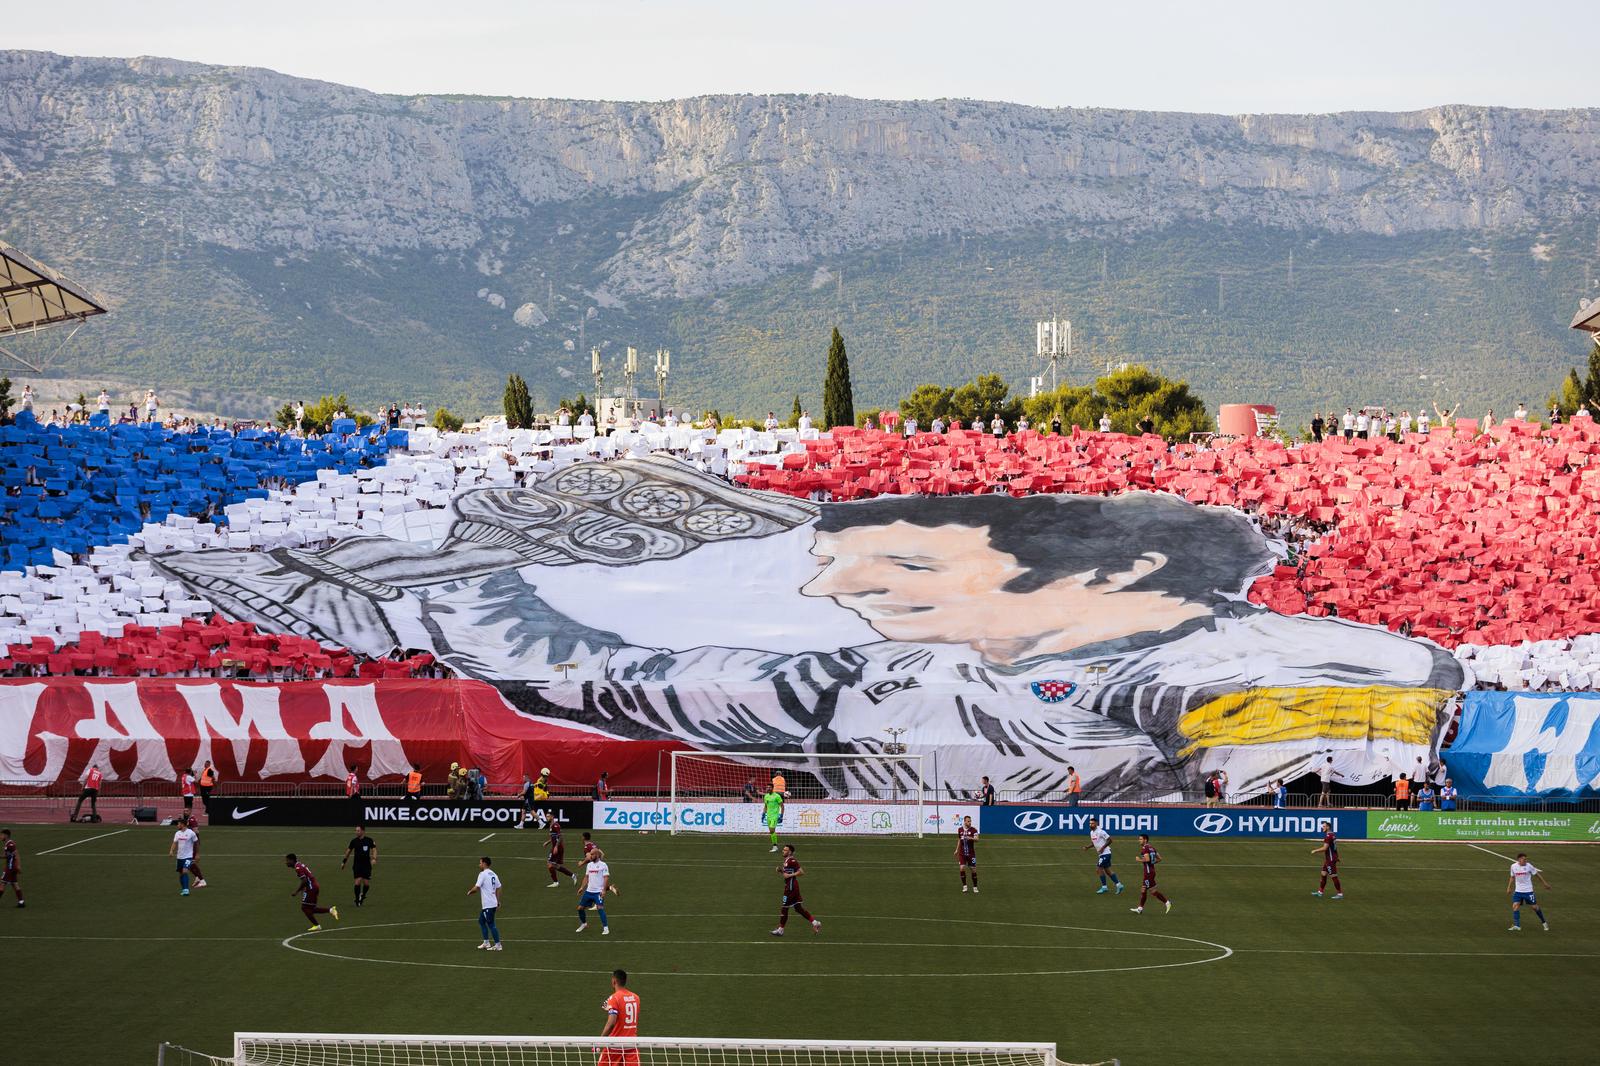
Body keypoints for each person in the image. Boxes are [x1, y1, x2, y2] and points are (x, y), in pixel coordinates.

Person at [771, 843, 821, 936]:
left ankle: (780, 930)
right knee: (798, 908)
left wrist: (789, 875)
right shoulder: (787, 860)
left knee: (784, 908)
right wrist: (781, 871)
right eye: (783, 849)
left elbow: (801, 872)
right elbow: (787, 873)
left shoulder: (792, 860)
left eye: (785, 850)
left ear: (790, 852)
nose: (783, 851)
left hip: (791, 888)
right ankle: (815, 923)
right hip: (793, 886)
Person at [286, 853, 338, 931]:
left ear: (292, 860)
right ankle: (330, 910)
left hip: (311, 888)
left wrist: (297, 891)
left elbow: (304, 880)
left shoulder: (298, 868)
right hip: (314, 886)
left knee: (304, 908)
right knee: (311, 908)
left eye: (287, 860)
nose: (286, 862)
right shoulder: (300, 865)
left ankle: (317, 925)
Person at [1506, 853, 1551, 932]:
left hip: (1528, 891)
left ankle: (1544, 922)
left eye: (1526, 859)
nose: (1526, 860)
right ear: (1519, 859)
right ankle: (1517, 926)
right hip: (1518, 891)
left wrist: (1545, 883)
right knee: (1515, 906)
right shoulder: (1513, 866)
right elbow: (1512, 877)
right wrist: (1509, 887)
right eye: (1524, 859)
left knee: (1534, 907)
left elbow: (1537, 874)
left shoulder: (1529, 866)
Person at [600, 968, 641, 1052]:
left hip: (614, 1047)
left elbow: (611, 1023)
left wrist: (600, 1041)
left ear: (614, 981)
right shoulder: (636, 998)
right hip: (631, 1046)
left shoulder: (614, 998)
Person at [1130, 833, 1171, 914]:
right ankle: (1140, 908)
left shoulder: (1145, 848)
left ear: (1145, 840)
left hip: (1148, 872)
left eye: (1141, 839)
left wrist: (1139, 860)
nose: (1139, 840)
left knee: (1152, 891)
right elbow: (1160, 859)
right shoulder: (1152, 848)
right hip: (1151, 871)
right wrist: (1152, 863)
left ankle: (1167, 902)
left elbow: (1147, 859)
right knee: (1143, 889)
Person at [469, 855, 504, 949]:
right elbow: (499, 887)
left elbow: (476, 888)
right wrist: (497, 900)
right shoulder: (493, 874)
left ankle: (498, 945)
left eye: (480, 863)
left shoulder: (483, 874)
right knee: (481, 921)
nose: (479, 865)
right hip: (491, 903)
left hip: (488, 904)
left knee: (491, 924)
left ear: (484, 864)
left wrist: (469, 892)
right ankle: (486, 942)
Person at [1082, 817, 1123, 894]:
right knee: (1108, 871)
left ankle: (1104, 887)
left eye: (1092, 823)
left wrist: (1103, 848)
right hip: (1101, 855)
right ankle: (1119, 885)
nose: (1091, 825)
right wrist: (1087, 847)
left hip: (1106, 853)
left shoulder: (1101, 832)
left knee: (1099, 868)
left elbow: (1110, 840)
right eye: (1090, 823)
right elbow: (1094, 843)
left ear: (1096, 824)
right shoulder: (1091, 833)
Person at [576, 850, 612, 935]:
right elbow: (586, 877)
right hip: (589, 891)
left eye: (592, 854)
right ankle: (584, 924)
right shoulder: (589, 865)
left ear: (597, 855)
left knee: (600, 908)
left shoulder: (603, 865)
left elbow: (606, 878)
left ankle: (606, 928)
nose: (590, 856)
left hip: (598, 892)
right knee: (580, 908)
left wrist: (603, 890)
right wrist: (582, 887)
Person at [341, 825, 377, 906]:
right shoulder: (354, 841)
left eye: (358, 830)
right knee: (357, 882)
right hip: (357, 865)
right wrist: (344, 861)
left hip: (367, 865)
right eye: (356, 830)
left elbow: (374, 849)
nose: (356, 832)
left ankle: (363, 895)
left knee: (366, 884)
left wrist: (374, 858)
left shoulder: (369, 840)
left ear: (363, 831)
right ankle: (357, 900)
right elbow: (348, 851)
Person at [1311, 821, 1343, 899]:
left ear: (1328, 827)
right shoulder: (1332, 835)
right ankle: (1320, 892)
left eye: (1324, 826)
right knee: (1323, 873)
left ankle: (1340, 894)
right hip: (1330, 858)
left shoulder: (1328, 836)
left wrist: (1315, 850)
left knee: (1333, 876)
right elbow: (1334, 847)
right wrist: (1336, 856)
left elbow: (1325, 848)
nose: (1323, 827)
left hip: (1330, 860)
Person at [545, 818, 576, 887]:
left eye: (548, 816)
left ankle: (556, 882)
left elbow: (560, 836)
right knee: (555, 865)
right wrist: (548, 842)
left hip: (557, 847)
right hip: (556, 847)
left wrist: (556, 846)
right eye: (546, 816)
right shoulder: (551, 825)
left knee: (550, 864)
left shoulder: (555, 825)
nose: (546, 818)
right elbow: (553, 837)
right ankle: (572, 875)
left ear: (552, 817)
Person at [955, 814, 980, 892]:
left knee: (973, 869)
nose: (970, 822)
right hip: (962, 853)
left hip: (971, 853)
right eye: (968, 821)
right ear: (965, 821)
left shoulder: (974, 830)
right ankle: (964, 886)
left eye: (970, 821)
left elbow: (977, 839)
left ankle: (975, 887)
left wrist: (971, 838)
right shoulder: (960, 830)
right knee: (962, 868)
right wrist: (956, 850)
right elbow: (959, 839)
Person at [0, 829, 22, 908]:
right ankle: (21, 902)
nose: (0, 836)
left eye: (1, 835)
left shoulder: (10, 844)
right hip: (12, 867)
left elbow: (16, 855)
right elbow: (8, 856)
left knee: (2, 883)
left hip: (10, 867)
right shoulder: (8, 844)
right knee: (14, 884)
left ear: (6, 835)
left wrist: (18, 866)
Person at [763, 786, 784, 852]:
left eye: (769, 787)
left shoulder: (777, 796)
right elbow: (765, 806)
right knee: (771, 832)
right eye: (767, 787)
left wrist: (781, 815)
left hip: (775, 816)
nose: (768, 788)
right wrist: (763, 814)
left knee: (772, 830)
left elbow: (782, 806)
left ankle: (775, 846)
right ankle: (775, 846)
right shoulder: (766, 796)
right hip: (768, 816)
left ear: (772, 788)